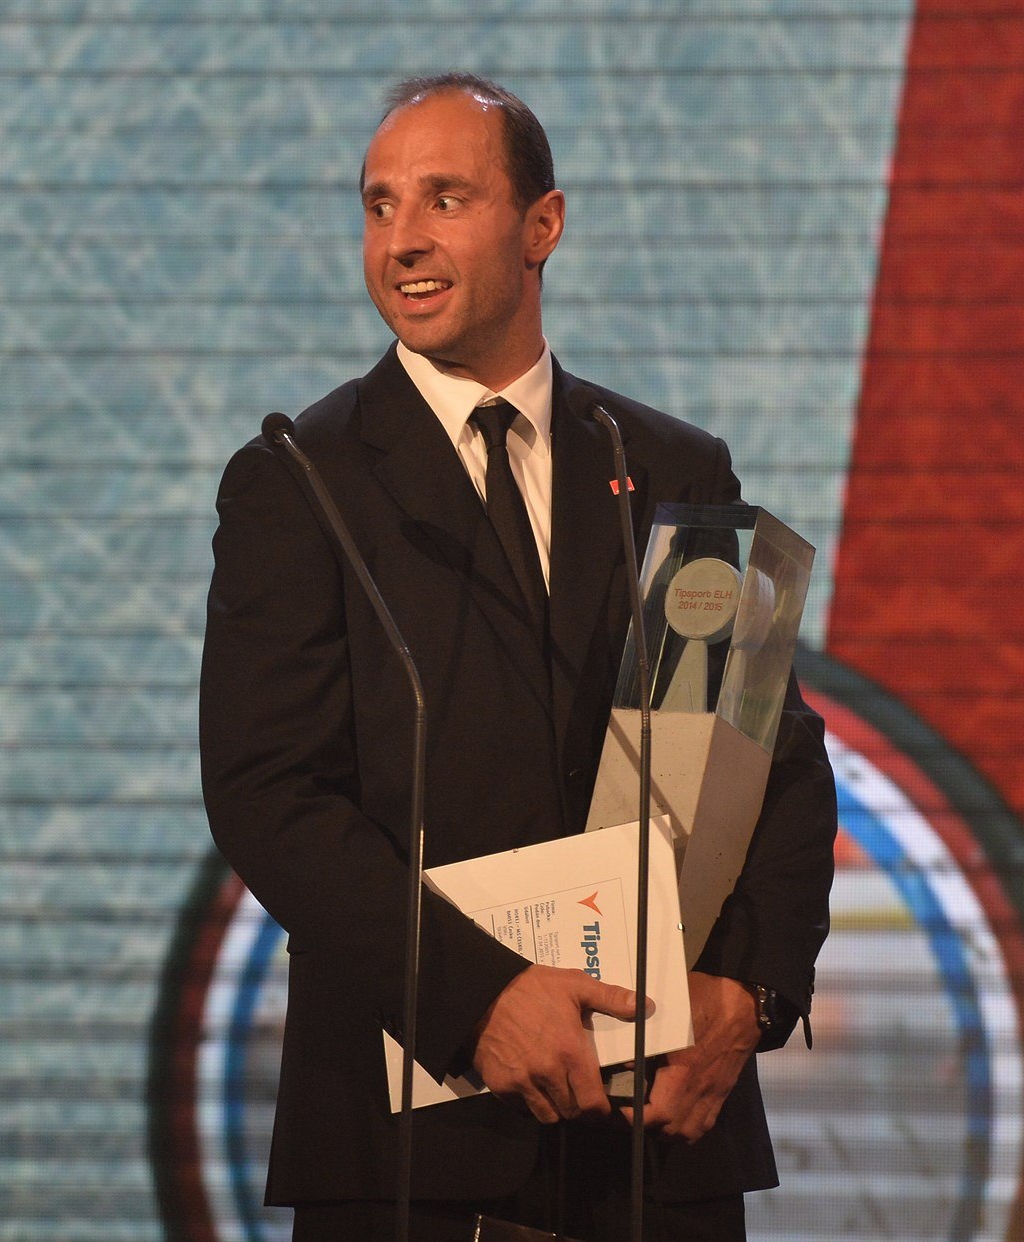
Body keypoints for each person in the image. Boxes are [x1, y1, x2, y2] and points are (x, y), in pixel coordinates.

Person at [200, 72, 836, 1242]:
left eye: (443, 199)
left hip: (656, 1150)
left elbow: (768, 763)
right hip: (413, 1158)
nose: (401, 240)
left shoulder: (667, 467)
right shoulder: (302, 480)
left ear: (543, 224)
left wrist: (747, 995)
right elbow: (269, 794)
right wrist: (480, 999)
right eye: (378, 205)